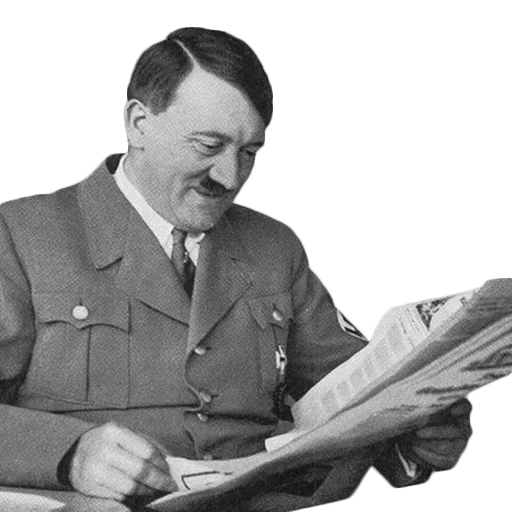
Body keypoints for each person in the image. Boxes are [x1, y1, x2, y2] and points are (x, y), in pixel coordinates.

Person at [0, 27, 472, 510]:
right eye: (209, 145)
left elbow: (352, 392)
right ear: (139, 124)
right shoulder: (18, 236)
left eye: (248, 153)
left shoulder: (274, 248)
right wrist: (69, 454)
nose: (229, 177)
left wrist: (418, 431)